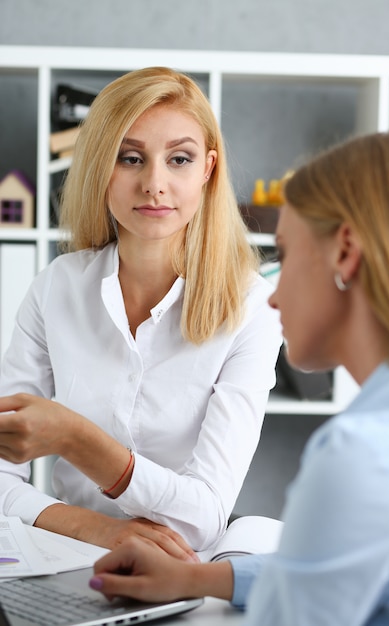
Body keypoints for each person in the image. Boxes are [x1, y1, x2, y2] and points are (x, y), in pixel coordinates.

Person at [89, 130, 389, 625]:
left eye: (285, 255)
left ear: (345, 251)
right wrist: (194, 578)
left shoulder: (364, 452)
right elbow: (323, 574)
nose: (273, 296)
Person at [0, 67, 281, 559]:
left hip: (187, 566)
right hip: (68, 551)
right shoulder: (56, 288)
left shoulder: (251, 308)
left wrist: (75, 437)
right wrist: (93, 528)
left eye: (179, 159)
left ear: (208, 170)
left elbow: (202, 515)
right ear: (99, 167)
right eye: (130, 158)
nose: (155, 183)